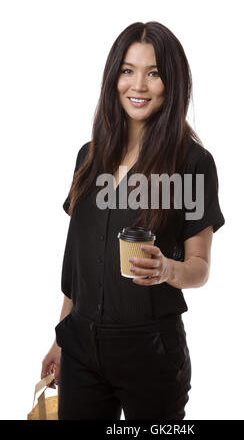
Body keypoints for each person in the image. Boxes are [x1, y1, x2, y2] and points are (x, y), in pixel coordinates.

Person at [41, 21, 225, 420]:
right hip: (81, 347)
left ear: (172, 83)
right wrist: (61, 338)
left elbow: (200, 268)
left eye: (153, 73)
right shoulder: (88, 158)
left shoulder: (192, 165)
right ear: (114, 78)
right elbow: (79, 264)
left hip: (151, 351)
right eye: (128, 70)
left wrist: (165, 269)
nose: (138, 85)